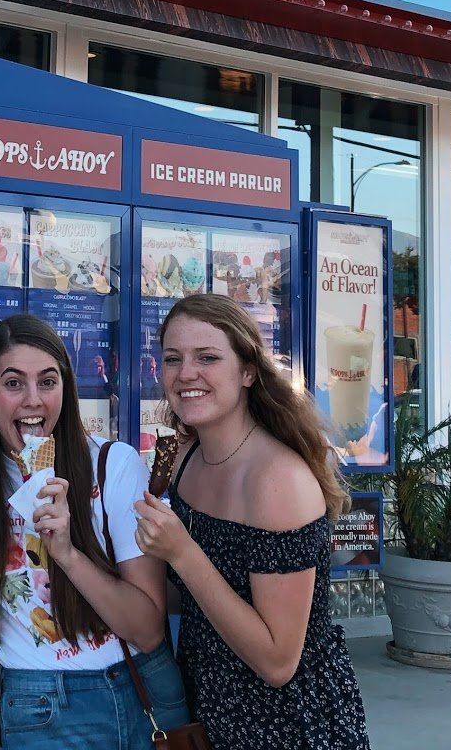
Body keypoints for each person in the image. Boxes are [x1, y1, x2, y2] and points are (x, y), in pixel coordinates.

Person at [133, 294, 369, 750]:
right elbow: (197, 599)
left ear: (247, 371)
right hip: (206, 708)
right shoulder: (184, 457)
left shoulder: (278, 480)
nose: (186, 374)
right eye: (172, 358)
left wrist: (181, 553)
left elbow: (278, 661)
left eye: (208, 358)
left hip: (286, 723)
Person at [0, 314, 190, 750]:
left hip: (144, 691)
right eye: (12, 383)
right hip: (39, 702)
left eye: (47, 381)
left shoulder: (113, 465)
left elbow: (148, 629)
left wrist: (67, 552)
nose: (33, 401)